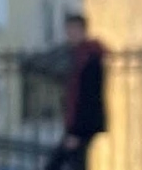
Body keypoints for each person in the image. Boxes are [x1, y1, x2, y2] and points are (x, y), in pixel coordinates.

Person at [46, 13, 107, 170]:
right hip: (78, 123)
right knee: (75, 163)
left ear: (82, 30)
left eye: (72, 30)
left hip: (82, 124)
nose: (69, 34)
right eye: (68, 30)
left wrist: (76, 132)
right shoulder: (78, 54)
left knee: (58, 163)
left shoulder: (89, 57)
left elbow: (88, 96)